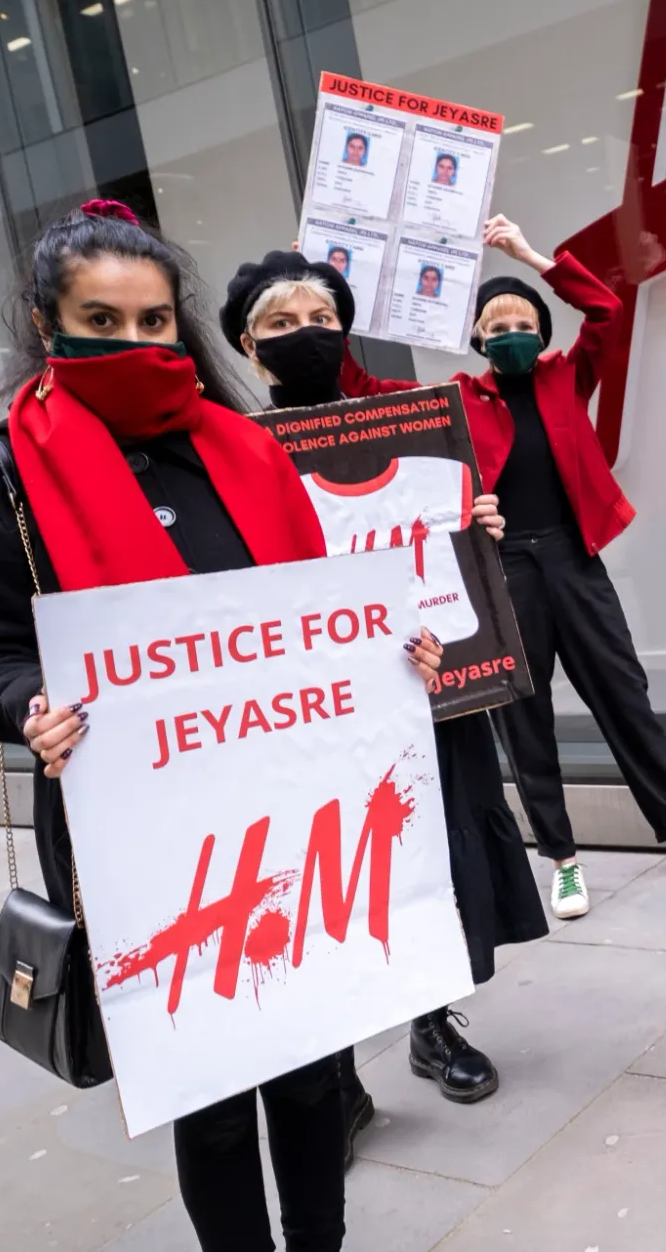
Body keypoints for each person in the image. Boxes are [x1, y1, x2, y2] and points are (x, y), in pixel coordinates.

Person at [0, 199, 444, 1251]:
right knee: (208, 1096)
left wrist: (394, 654)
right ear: (47, 322)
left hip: (295, 809)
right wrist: (28, 703)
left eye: (153, 320)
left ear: (181, 322)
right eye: (102, 321)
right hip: (143, 837)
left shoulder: (245, 450)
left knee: (311, 1070)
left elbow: (317, 613)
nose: (133, 341)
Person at [220, 250, 550, 1155]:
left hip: (420, 684)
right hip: (308, 710)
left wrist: (476, 528)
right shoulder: (232, 450)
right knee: (324, 871)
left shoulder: (408, 425)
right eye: (280, 324)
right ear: (248, 344)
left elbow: (448, 544)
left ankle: (432, 1024)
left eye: (320, 319)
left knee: (430, 854)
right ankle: (332, 1077)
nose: (304, 336)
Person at [339, 213, 666, 921]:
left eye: (522, 322)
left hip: (573, 558)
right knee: (525, 720)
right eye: (495, 326)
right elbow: (361, 387)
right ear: (477, 339)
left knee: (625, 697)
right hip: (505, 572)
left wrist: (531, 255)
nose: (510, 333)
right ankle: (561, 861)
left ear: (541, 329)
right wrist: (337, 288)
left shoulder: (567, 375)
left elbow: (608, 310)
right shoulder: (461, 399)